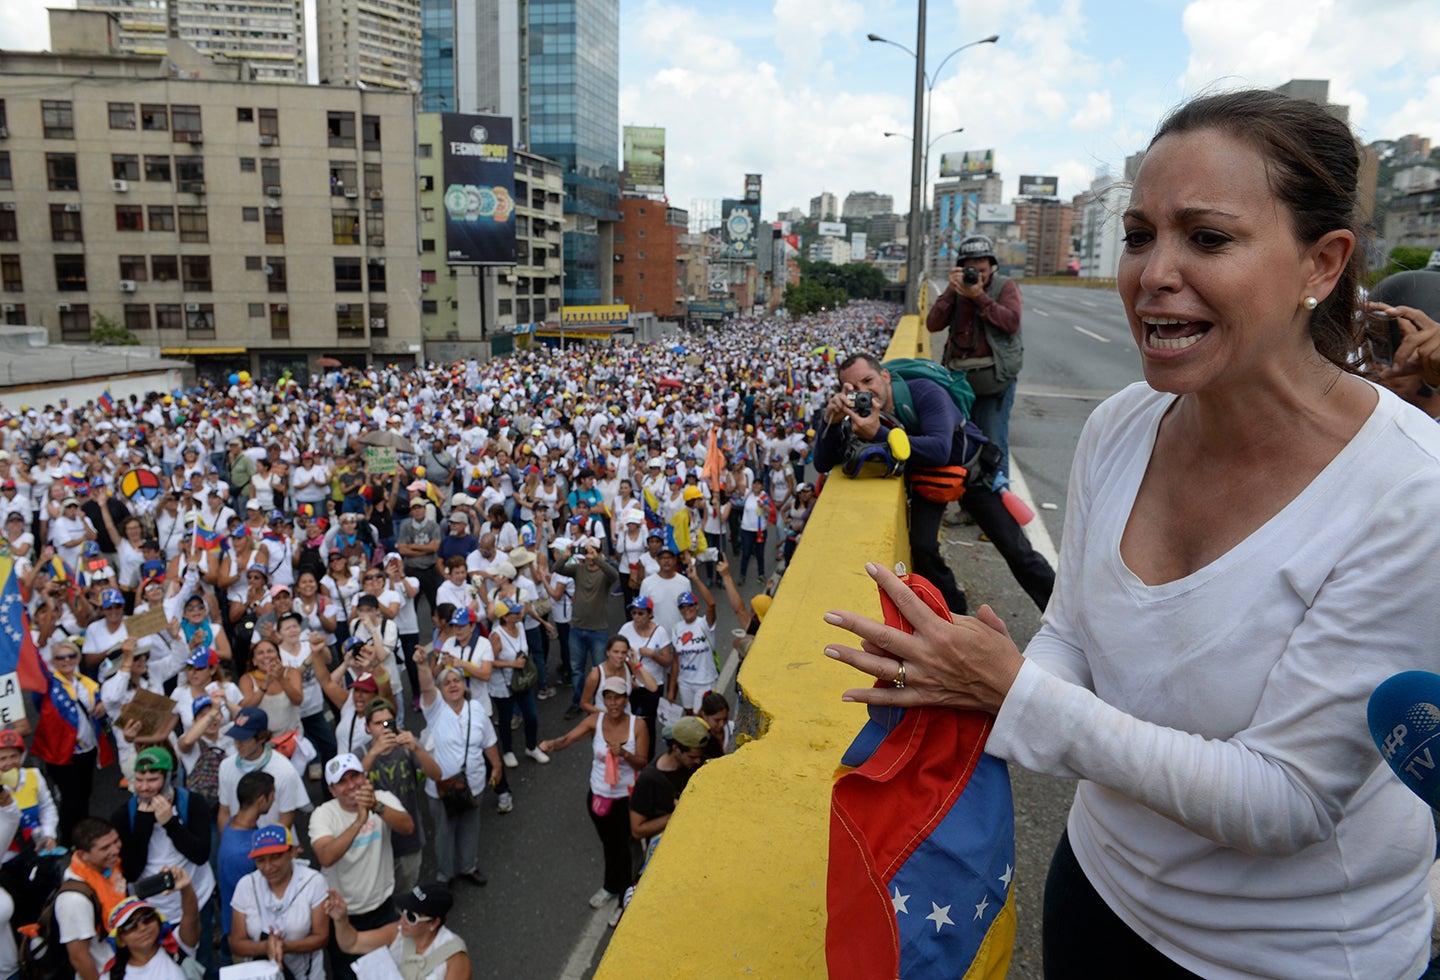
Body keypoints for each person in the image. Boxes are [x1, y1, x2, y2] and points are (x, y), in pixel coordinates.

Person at [823, 89, 1440, 977]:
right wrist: (976, 674)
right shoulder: (1123, 422)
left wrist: (1016, 696)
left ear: (1323, 263)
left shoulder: (1408, 490)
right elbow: (1074, 631)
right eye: (1141, 236)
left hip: (1282, 957)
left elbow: (1290, 800)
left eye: (1209, 238)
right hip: (1096, 895)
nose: (1153, 273)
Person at [813, 353, 1054, 615]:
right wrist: (832, 423)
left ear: (885, 376)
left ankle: (1062, 617)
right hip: (928, 479)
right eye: (853, 389)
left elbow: (940, 449)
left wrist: (878, 433)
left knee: (1018, 553)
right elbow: (823, 463)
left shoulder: (925, 392)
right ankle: (956, 615)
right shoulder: (861, 413)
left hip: (972, 471)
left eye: (868, 380)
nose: (864, 392)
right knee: (923, 548)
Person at [539, 677, 649, 918]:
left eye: (618, 697)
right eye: (608, 697)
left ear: (626, 699)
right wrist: (551, 744)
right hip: (598, 796)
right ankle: (611, 887)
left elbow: (643, 761)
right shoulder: (594, 721)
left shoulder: (637, 726)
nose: (613, 703)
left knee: (625, 850)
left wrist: (625, 754)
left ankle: (625, 901)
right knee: (609, 845)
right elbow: (569, 739)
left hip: (625, 799)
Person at [924, 233, 1025, 485]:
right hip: (960, 383)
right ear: (960, 269)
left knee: (994, 443)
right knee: (964, 444)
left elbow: (1011, 322)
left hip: (995, 381)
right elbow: (933, 324)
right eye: (971, 270)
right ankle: (971, 508)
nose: (977, 276)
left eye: (982, 270)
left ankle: (1000, 511)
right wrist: (951, 290)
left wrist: (978, 296)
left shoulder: (1005, 287)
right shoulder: (955, 291)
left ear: (991, 267)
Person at [108, 746, 215, 975]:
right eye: (139, 780)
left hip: (196, 897)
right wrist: (144, 823)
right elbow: (132, 870)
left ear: (169, 778)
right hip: (150, 911)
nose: (144, 788)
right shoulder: (122, 815)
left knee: (202, 962)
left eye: (153, 779)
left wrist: (170, 824)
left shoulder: (193, 803)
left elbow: (200, 854)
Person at [309, 752, 413, 976]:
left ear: (366, 777)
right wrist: (359, 821)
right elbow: (326, 856)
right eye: (342, 782)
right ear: (332, 790)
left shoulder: (382, 799)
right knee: (347, 974)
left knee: (389, 972)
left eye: (355, 777)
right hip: (343, 915)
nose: (351, 785)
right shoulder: (323, 815)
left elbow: (407, 827)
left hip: (382, 908)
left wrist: (378, 807)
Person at [414, 653, 503, 875]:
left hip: (473, 783)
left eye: (457, 681)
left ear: (464, 685)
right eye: (447, 683)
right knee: (445, 833)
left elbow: (489, 741)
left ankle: (468, 866)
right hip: (442, 789)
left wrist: (497, 766)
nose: (453, 685)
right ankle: (445, 874)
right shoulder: (435, 710)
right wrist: (422, 665)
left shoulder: (477, 709)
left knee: (471, 828)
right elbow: (426, 686)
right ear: (440, 690)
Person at [228, 825, 329, 980]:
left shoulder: (313, 882)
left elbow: (322, 937)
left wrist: (284, 946)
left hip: (306, 975)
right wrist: (265, 947)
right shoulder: (246, 885)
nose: (268, 867)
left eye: (276, 857)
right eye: (260, 860)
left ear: (292, 853)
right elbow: (236, 942)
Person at [325, 880, 472, 980]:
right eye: (403, 911)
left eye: (411, 917)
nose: (402, 920)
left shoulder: (455, 958)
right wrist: (341, 920)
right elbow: (351, 944)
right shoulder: (397, 932)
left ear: (434, 923)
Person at [56, 818, 129, 980]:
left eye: (116, 841)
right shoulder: (74, 900)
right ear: (83, 854)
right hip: (105, 972)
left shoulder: (107, 867)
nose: (115, 850)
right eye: (105, 848)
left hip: (123, 960)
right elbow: (79, 957)